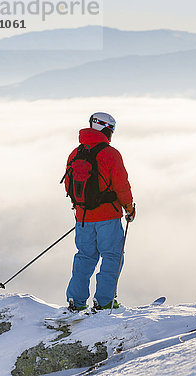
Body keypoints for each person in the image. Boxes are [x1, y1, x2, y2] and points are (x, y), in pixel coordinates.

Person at [63, 112, 135, 311]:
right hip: (108, 217)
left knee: (85, 257)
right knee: (112, 256)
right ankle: (105, 302)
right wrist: (129, 207)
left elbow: (68, 184)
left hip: (83, 217)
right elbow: (122, 186)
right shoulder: (110, 154)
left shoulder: (75, 153)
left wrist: (81, 208)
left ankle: (75, 302)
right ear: (107, 130)